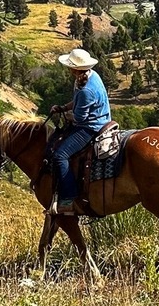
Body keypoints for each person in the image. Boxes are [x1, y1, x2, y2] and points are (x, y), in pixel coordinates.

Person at [46, 47, 112, 216]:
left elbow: (80, 118)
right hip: (98, 119)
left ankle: (68, 199)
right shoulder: (91, 76)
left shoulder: (86, 90)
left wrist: (67, 115)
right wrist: (63, 108)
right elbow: (77, 102)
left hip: (91, 126)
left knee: (60, 155)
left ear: (74, 69)